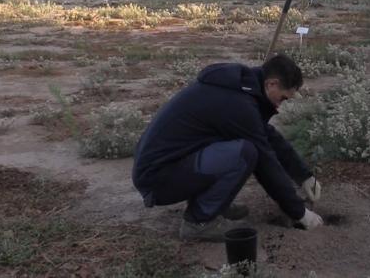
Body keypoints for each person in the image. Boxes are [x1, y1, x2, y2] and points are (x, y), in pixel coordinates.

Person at [132, 54, 323, 242]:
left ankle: (215, 205)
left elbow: (268, 135)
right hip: (158, 180)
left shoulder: (240, 90)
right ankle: (198, 222)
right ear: (271, 83)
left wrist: (304, 176)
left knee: (240, 149)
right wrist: (299, 213)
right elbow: (266, 163)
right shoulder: (239, 104)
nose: (280, 105)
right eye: (282, 98)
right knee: (246, 153)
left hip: (165, 168)